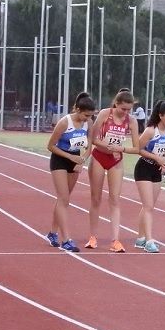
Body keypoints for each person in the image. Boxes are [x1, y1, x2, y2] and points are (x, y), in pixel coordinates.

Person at [84, 90, 140, 253]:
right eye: (123, 109)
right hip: (99, 157)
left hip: (116, 160)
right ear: (116, 104)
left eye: (129, 110)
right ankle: (93, 237)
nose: (126, 113)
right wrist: (105, 146)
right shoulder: (104, 114)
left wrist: (120, 148)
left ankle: (115, 240)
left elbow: (136, 148)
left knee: (115, 199)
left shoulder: (132, 121)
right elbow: (92, 138)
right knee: (96, 198)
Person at [46, 92, 95, 252]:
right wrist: (70, 157)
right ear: (78, 110)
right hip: (60, 159)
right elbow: (50, 146)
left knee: (63, 199)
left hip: (75, 161)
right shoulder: (64, 122)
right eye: (86, 115)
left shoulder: (89, 123)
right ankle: (66, 239)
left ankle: (52, 233)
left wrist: (83, 159)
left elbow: (90, 144)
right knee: (64, 199)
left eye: (90, 116)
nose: (87, 118)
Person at [133, 100, 165, 253]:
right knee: (148, 206)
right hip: (144, 168)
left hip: (157, 170)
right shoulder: (151, 131)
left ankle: (140, 238)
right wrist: (156, 157)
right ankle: (149, 240)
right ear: (160, 116)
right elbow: (138, 148)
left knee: (148, 206)